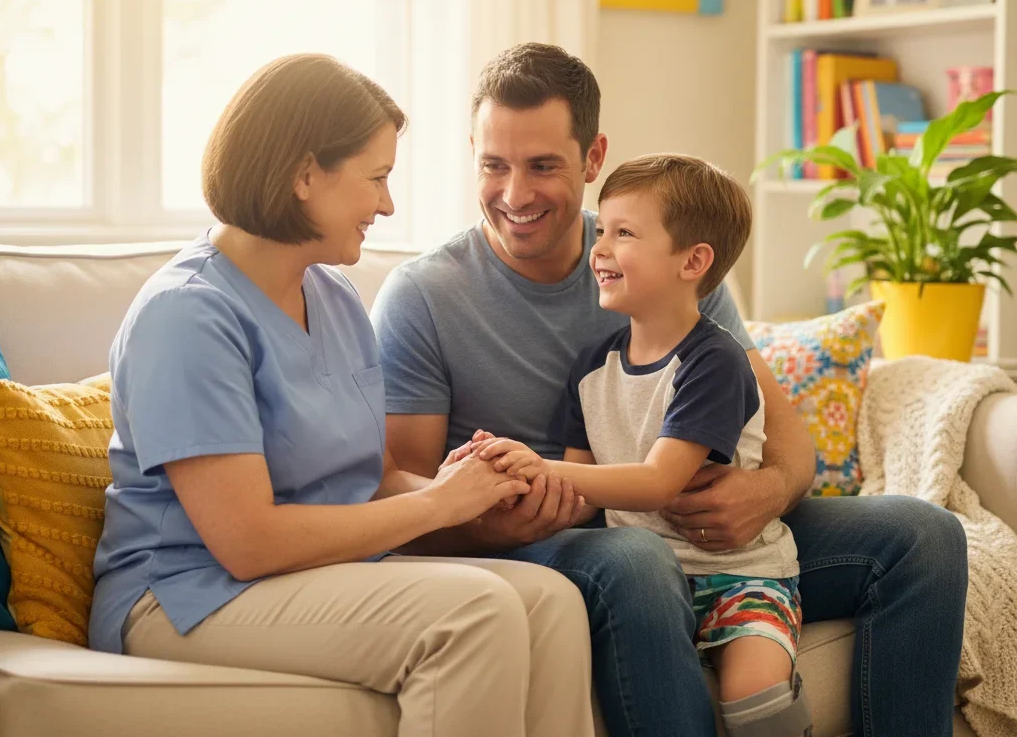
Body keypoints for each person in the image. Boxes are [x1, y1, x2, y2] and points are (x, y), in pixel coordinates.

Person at [371, 42, 968, 737]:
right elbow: (393, 482)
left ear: (593, 159)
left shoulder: (659, 258)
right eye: (493, 165)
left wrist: (767, 492)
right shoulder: (423, 295)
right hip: (563, 538)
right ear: (471, 151)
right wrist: (485, 522)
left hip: (688, 525)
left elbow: (789, 442)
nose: (515, 194)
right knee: (635, 557)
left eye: (542, 166)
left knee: (924, 535)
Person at [88, 53, 596, 737]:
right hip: (183, 592)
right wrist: (438, 506)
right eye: (377, 178)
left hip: (305, 572)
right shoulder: (187, 315)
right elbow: (247, 542)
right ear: (305, 176)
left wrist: (469, 494)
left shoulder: (333, 295)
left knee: (551, 601)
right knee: (475, 611)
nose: (386, 204)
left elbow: (372, 478)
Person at [473, 154, 812, 736]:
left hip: (738, 578)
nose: (599, 248)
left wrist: (541, 461)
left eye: (624, 233)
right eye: (602, 230)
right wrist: (513, 477)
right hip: (650, 586)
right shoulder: (590, 370)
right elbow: (579, 496)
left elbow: (659, 481)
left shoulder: (715, 361)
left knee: (754, 687)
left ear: (693, 261)